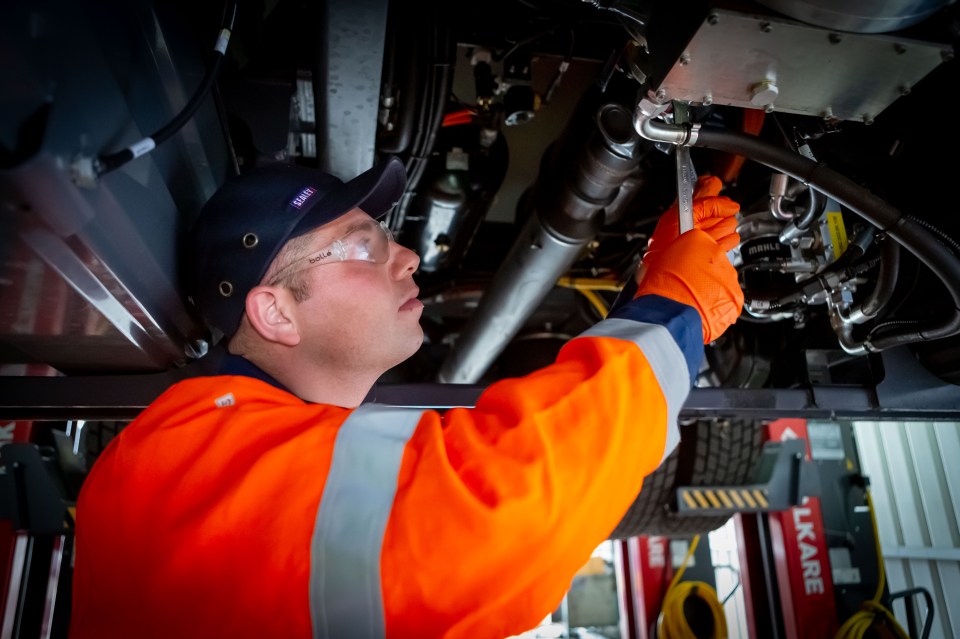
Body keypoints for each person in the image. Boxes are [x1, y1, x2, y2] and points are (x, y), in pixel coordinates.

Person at [69, 156, 743, 638]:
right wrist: (671, 309)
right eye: (362, 246)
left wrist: (663, 294)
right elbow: (496, 513)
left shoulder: (190, 450)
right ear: (274, 313)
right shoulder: (178, 459)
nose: (407, 257)